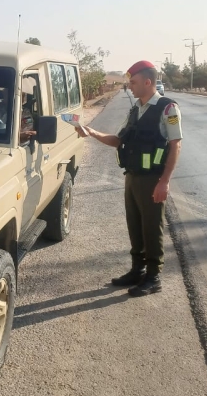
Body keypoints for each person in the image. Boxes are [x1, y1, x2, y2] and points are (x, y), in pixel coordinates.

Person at [75, 60, 183, 297]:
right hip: (132, 176)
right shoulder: (136, 109)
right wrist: (91, 132)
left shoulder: (167, 108)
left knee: (151, 227)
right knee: (135, 225)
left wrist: (164, 181)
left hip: (152, 178)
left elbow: (176, 145)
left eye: (133, 82)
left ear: (147, 82)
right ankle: (137, 270)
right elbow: (118, 140)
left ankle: (153, 277)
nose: (129, 86)